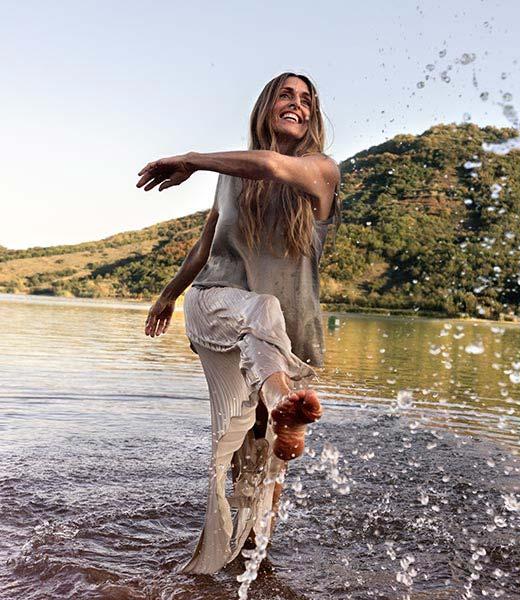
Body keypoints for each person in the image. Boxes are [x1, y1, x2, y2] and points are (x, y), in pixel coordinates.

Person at [136, 72, 341, 574]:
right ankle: (281, 406)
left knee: (261, 473)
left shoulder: (321, 172)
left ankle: (249, 564)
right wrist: (168, 296)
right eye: (286, 95)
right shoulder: (231, 175)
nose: (298, 105)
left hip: (284, 346)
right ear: (266, 105)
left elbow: (272, 165)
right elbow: (204, 246)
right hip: (218, 309)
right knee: (262, 309)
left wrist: (191, 159)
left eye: (307, 100)